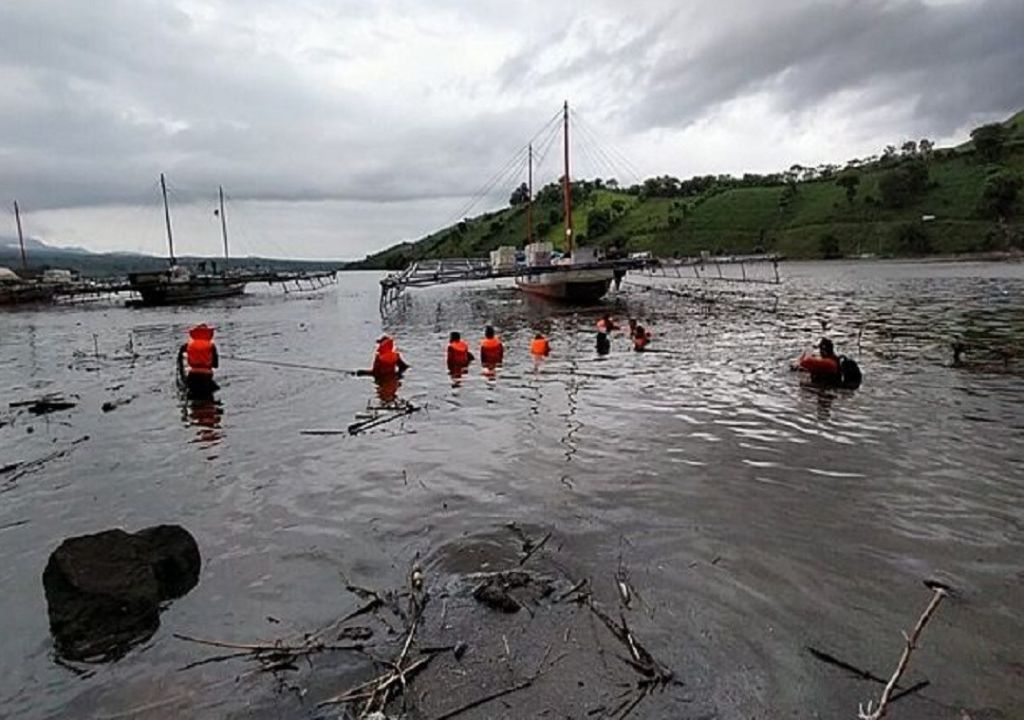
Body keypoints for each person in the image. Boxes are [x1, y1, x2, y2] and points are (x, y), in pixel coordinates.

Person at [795, 337, 862, 388]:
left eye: (820, 350)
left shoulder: (828, 364)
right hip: (840, 384)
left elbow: (824, 384)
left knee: (803, 385)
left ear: (823, 351)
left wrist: (805, 384)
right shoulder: (837, 360)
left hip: (833, 386)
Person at [177, 324, 219, 397]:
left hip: (192, 376)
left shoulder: (187, 345)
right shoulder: (211, 346)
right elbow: (215, 365)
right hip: (206, 376)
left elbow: (180, 361)